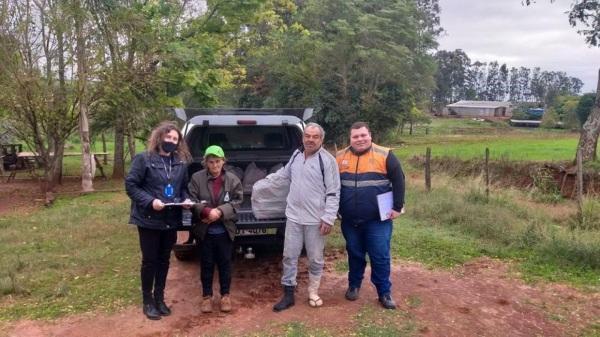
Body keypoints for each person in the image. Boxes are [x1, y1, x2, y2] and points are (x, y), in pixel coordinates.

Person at [125, 121, 193, 320]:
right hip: (148, 219)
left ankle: (159, 298)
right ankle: (147, 301)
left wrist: (185, 200)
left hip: (170, 219)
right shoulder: (143, 159)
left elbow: (183, 188)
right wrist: (150, 201)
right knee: (150, 261)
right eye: (168, 137)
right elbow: (131, 186)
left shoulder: (180, 162)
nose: (171, 141)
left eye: (175, 139)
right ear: (159, 137)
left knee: (164, 260)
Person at [336, 121, 405, 310]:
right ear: (350, 138)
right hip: (350, 220)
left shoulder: (385, 154)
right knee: (355, 254)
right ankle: (354, 285)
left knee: (380, 256)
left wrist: (397, 206)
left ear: (370, 135)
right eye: (355, 136)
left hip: (378, 220)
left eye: (363, 135)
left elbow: (399, 180)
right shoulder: (340, 157)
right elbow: (332, 186)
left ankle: (384, 292)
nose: (360, 139)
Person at [272, 123, 341, 312]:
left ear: (321, 139)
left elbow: (334, 192)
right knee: (289, 256)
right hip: (293, 217)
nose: (310, 139)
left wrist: (328, 218)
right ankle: (288, 294)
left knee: (315, 258)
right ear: (303, 137)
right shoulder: (296, 155)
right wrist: (265, 182)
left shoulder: (327, 161)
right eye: (307, 136)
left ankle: (313, 291)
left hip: (316, 220)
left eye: (315, 136)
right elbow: (284, 174)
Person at [188, 145, 243, 314]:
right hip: (205, 232)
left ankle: (225, 296)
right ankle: (207, 297)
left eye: (218, 161)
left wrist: (219, 211)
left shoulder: (233, 180)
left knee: (225, 264)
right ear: (205, 162)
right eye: (211, 162)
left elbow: (237, 201)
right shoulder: (196, 178)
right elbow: (191, 199)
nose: (214, 165)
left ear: (223, 161)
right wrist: (205, 211)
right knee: (206, 265)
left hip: (224, 231)